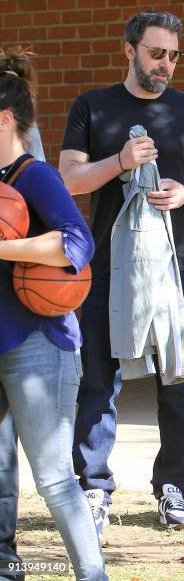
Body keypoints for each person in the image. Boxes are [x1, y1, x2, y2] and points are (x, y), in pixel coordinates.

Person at [59, 11, 184, 534]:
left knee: (177, 379)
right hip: (107, 265)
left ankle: (173, 489)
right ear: (128, 49)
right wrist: (120, 162)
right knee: (99, 380)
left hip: (175, 267)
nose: (167, 64)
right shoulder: (93, 106)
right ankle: (94, 488)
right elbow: (69, 179)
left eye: (174, 55)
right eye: (157, 53)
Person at [0, 48, 107, 580]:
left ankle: (93, 574)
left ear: (4, 119)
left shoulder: (34, 176)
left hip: (40, 344)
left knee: (54, 478)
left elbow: (76, 243)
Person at [0, 122, 46, 580]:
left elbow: (71, 241)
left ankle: (6, 558)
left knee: (7, 453)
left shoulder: (28, 171)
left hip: (14, 324)